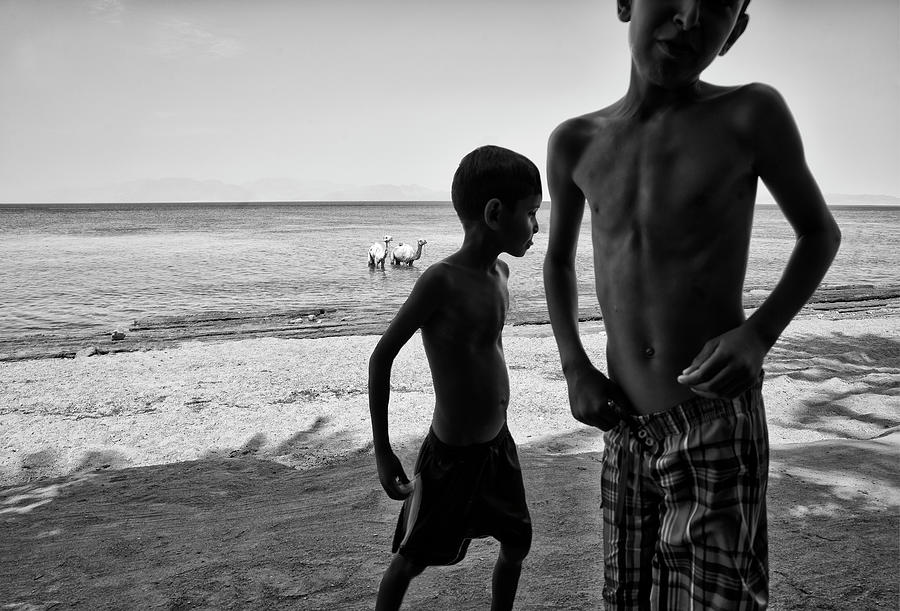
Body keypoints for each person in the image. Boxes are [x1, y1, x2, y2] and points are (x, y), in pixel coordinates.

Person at [543, 1, 841, 609]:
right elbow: (558, 261)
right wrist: (574, 365)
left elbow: (819, 233)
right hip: (623, 426)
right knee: (624, 595)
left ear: (735, 30)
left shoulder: (749, 113)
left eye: (719, 6)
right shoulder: (575, 141)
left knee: (717, 600)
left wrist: (758, 334)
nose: (690, 16)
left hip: (712, 419)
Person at [369, 145, 542, 611]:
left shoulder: (502, 273)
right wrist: (383, 452)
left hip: (498, 446)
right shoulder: (440, 281)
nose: (536, 227)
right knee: (410, 558)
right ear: (493, 212)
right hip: (449, 457)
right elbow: (381, 358)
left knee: (517, 541)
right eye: (530, 213)